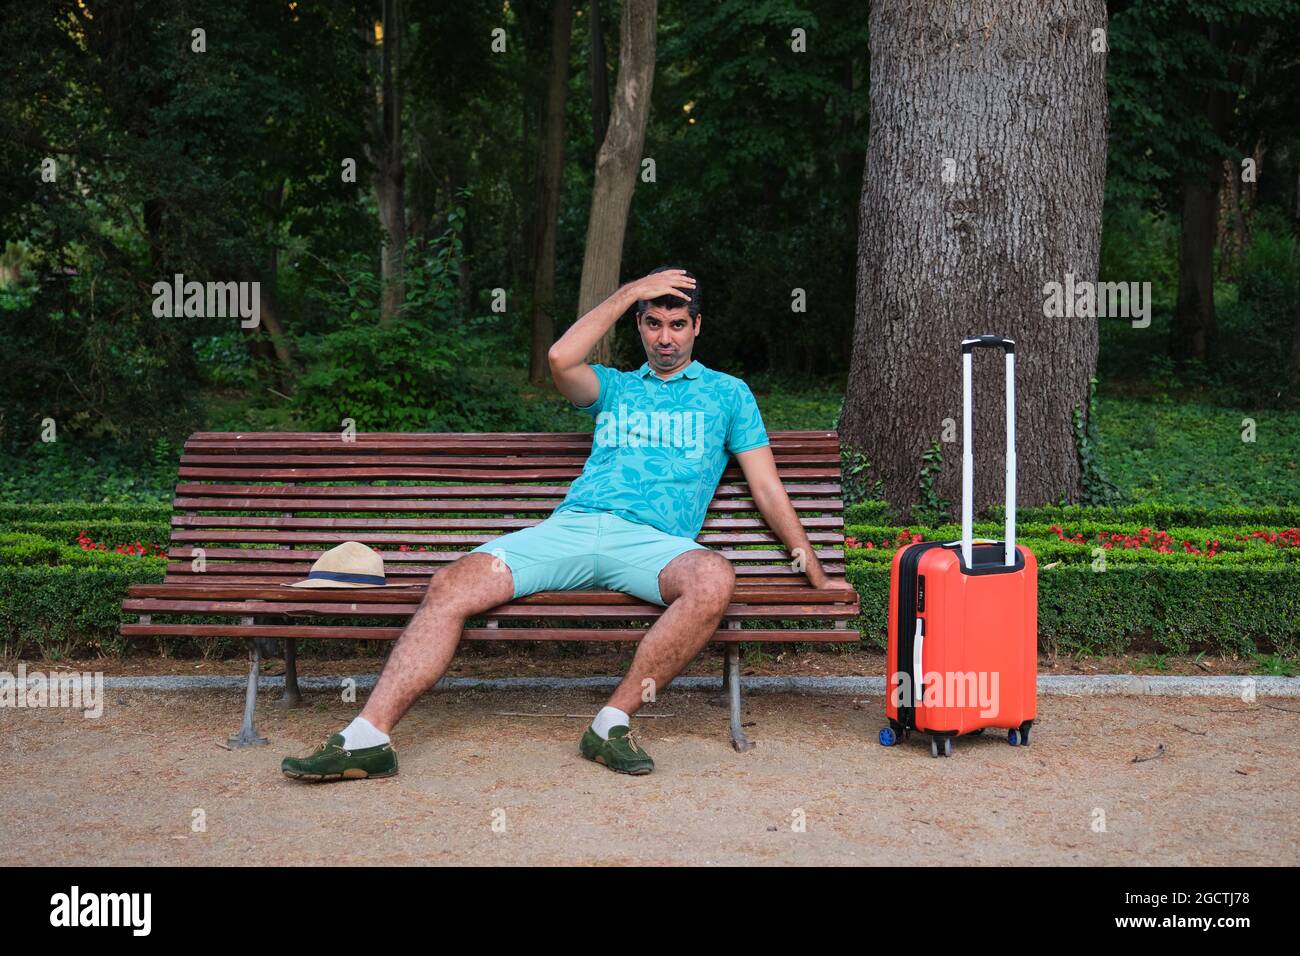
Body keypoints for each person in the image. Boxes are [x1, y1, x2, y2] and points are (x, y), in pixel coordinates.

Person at [281, 267, 854, 781]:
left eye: (677, 323)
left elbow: (767, 486)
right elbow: (560, 360)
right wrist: (630, 290)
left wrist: (816, 574)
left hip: (653, 547)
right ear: (640, 327)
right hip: (573, 528)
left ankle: (610, 725)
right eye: (652, 322)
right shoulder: (615, 388)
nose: (665, 337)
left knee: (713, 579)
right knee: (451, 584)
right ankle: (367, 738)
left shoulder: (728, 395)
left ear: (697, 327)